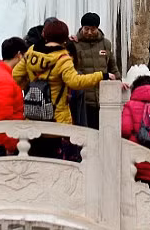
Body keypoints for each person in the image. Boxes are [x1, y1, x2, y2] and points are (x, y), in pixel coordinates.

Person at [12, 19, 108, 158]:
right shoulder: (63, 58)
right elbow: (76, 82)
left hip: (33, 115)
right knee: (55, 161)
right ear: (64, 38)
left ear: (45, 35)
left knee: (36, 158)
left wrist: (31, 88)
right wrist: (101, 75)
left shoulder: (31, 52)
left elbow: (16, 74)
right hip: (55, 118)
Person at [72, 12, 121, 129]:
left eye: (92, 29)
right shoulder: (73, 44)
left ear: (97, 28)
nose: (89, 32)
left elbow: (112, 66)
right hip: (82, 99)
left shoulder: (106, 44)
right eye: (86, 28)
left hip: (103, 98)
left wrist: (118, 83)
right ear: (82, 28)